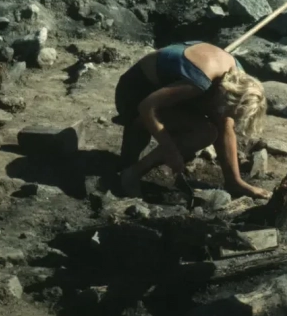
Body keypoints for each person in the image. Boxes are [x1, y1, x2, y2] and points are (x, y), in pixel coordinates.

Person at [115, 40, 270, 199]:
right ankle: (132, 173)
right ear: (225, 95)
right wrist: (171, 150)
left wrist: (236, 181)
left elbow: (226, 123)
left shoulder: (237, 78)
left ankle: (233, 182)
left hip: (168, 93)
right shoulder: (199, 81)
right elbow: (147, 107)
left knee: (221, 121)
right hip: (135, 95)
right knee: (205, 133)